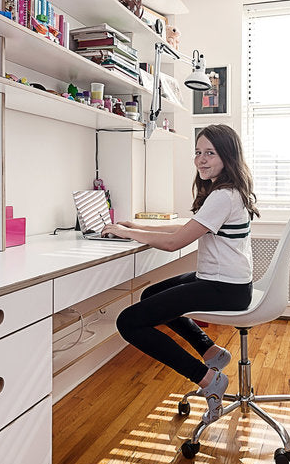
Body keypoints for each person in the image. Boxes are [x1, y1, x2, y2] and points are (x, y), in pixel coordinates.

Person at [102, 124, 259, 423]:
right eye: (198, 153)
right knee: (151, 294)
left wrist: (127, 233)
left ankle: (206, 378)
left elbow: (176, 242)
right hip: (228, 282)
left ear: (227, 155)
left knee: (129, 321)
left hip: (224, 287)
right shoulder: (228, 191)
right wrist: (139, 228)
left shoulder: (223, 196)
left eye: (210, 153)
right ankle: (210, 350)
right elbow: (189, 228)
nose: (201, 159)